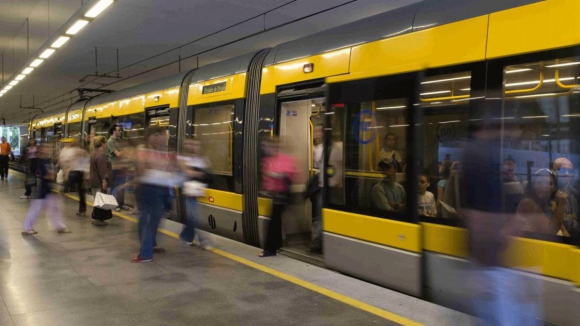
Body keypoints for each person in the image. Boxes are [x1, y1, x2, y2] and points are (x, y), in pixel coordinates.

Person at [132, 127, 180, 263]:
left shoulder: (164, 152)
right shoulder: (143, 150)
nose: (162, 138)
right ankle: (146, 253)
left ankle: (150, 246)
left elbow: (171, 169)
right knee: (146, 222)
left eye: (163, 135)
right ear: (150, 136)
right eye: (158, 135)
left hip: (161, 190)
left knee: (153, 221)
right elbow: (141, 171)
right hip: (147, 189)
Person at [21, 142, 71, 235]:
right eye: (46, 148)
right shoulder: (40, 161)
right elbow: (46, 175)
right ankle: (27, 228)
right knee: (35, 210)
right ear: (41, 150)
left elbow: (49, 174)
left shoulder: (46, 160)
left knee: (53, 209)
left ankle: (60, 227)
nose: (48, 150)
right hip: (41, 190)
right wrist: (53, 173)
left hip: (46, 190)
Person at [259, 137, 296, 257]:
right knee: (275, 222)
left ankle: (270, 250)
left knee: (272, 224)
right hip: (274, 195)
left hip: (282, 195)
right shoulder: (268, 160)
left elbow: (287, 175)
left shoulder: (284, 159)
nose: (266, 149)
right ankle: (276, 245)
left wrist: (272, 174)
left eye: (267, 147)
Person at [178, 138, 212, 249]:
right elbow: (187, 172)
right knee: (194, 216)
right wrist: (199, 173)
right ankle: (204, 240)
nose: (192, 146)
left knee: (193, 215)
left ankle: (186, 236)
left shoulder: (202, 159)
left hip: (200, 190)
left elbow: (208, 172)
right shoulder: (181, 158)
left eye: (195, 144)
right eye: (189, 144)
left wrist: (196, 172)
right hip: (189, 190)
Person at [516, 169, 569, 236]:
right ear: (533, 185)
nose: (544, 187)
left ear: (555, 188)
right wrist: (561, 205)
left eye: (549, 183)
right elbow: (551, 232)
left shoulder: (551, 203)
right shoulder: (527, 203)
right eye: (539, 183)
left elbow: (563, 230)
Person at [90, 136, 112, 226]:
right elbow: (102, 170)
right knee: (101, 200)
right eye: (105, 142)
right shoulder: (101, 155)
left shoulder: (93, 153)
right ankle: (98, 219)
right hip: (99, 182)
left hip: (94, 181)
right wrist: (104, 181)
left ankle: (96, 218)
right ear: (102, 144)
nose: (106, 144)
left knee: (97, 200)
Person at [62, 140, 89, 216]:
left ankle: (64, 191)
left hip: (75, 173)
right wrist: (86, 179)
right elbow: (86, 165)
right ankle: (82, 210)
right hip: (81, 173)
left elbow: (71, 164)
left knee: (69, 187)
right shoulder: (84, 153)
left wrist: (67, 173)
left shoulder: (74, 152)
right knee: (81, 193)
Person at [107, 124, 128, 212]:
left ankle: (120, 204)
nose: (120, 132)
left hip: (122, 166)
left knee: (121, 186)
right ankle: (113, 205)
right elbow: (118, 154)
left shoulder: (119, 140)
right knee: (115, 186)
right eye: (119, 130)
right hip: (114, 166)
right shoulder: (110, 141)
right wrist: (124, 151)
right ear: (114, 131)